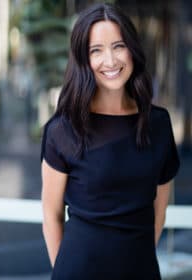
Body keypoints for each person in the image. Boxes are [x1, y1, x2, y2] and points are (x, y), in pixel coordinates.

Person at [40, 3, 180, 280]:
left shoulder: (159, 124)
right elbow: (51, 216)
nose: (111, 60)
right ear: (83, 59)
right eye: (96, 50)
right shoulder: (62, 129)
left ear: (132, 49)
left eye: (118, 46)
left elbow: (158, 214)